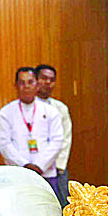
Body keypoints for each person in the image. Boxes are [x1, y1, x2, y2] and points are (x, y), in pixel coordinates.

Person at [0, 66, 64, 188]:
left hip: (46, 173)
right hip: (17, 174)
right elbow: (4, 144)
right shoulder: (6, 113)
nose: (26, 86)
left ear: (37, 84)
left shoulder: (51, 111)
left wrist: (39, 166)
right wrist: (24, 165)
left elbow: (57, 141)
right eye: (22, 82)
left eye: (30, 82)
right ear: (16, 85)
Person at [35, 63, 72, 205]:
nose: (48, 83)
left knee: (61, 205)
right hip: (34, 167)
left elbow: (65, 139)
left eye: (52, 80)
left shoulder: (60, 108)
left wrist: (60, 165)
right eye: (44, 78)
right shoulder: (25, 108)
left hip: (56, 168)